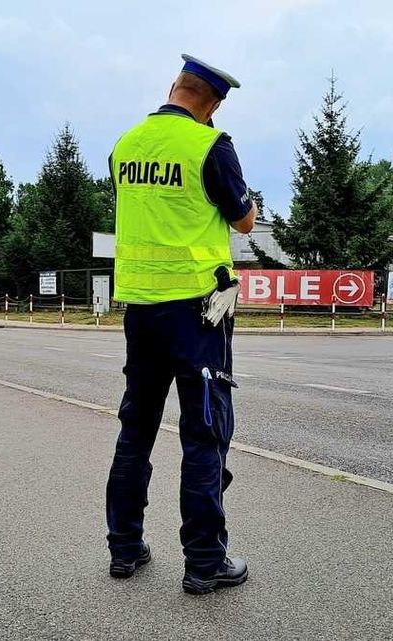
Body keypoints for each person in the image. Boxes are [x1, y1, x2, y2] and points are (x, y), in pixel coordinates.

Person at [105, 54, 257, 595]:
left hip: (140, 310)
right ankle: (204, 562)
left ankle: (124, 548)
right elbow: (242, 218)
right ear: (212, 104)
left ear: (174, 87)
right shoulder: (210, 146)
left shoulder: (125, 145)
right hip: (198, 313)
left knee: (136, 428)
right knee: (204, 434)